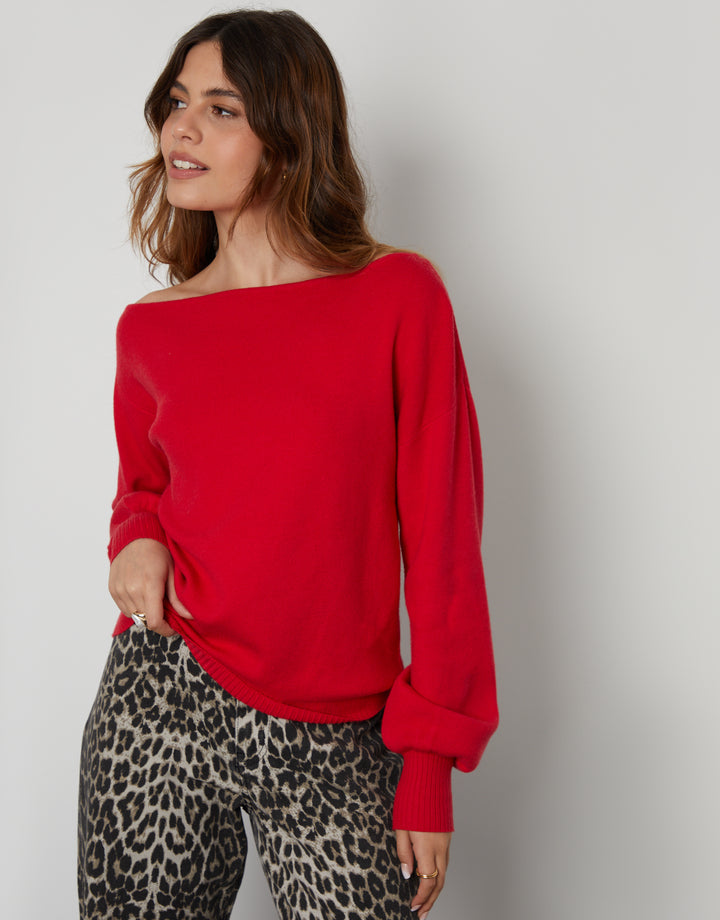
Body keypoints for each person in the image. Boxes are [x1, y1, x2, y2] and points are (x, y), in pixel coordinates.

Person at [77, 9, 499, 920]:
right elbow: (143, 486)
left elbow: (443, 543)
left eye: (221, 109)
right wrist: (135, 536)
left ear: (289, 133)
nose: (183, 128)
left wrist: (429, 761)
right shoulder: (152, 329)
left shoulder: (397, 297)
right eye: (177, 102)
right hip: (164, 693)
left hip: (337, 726)